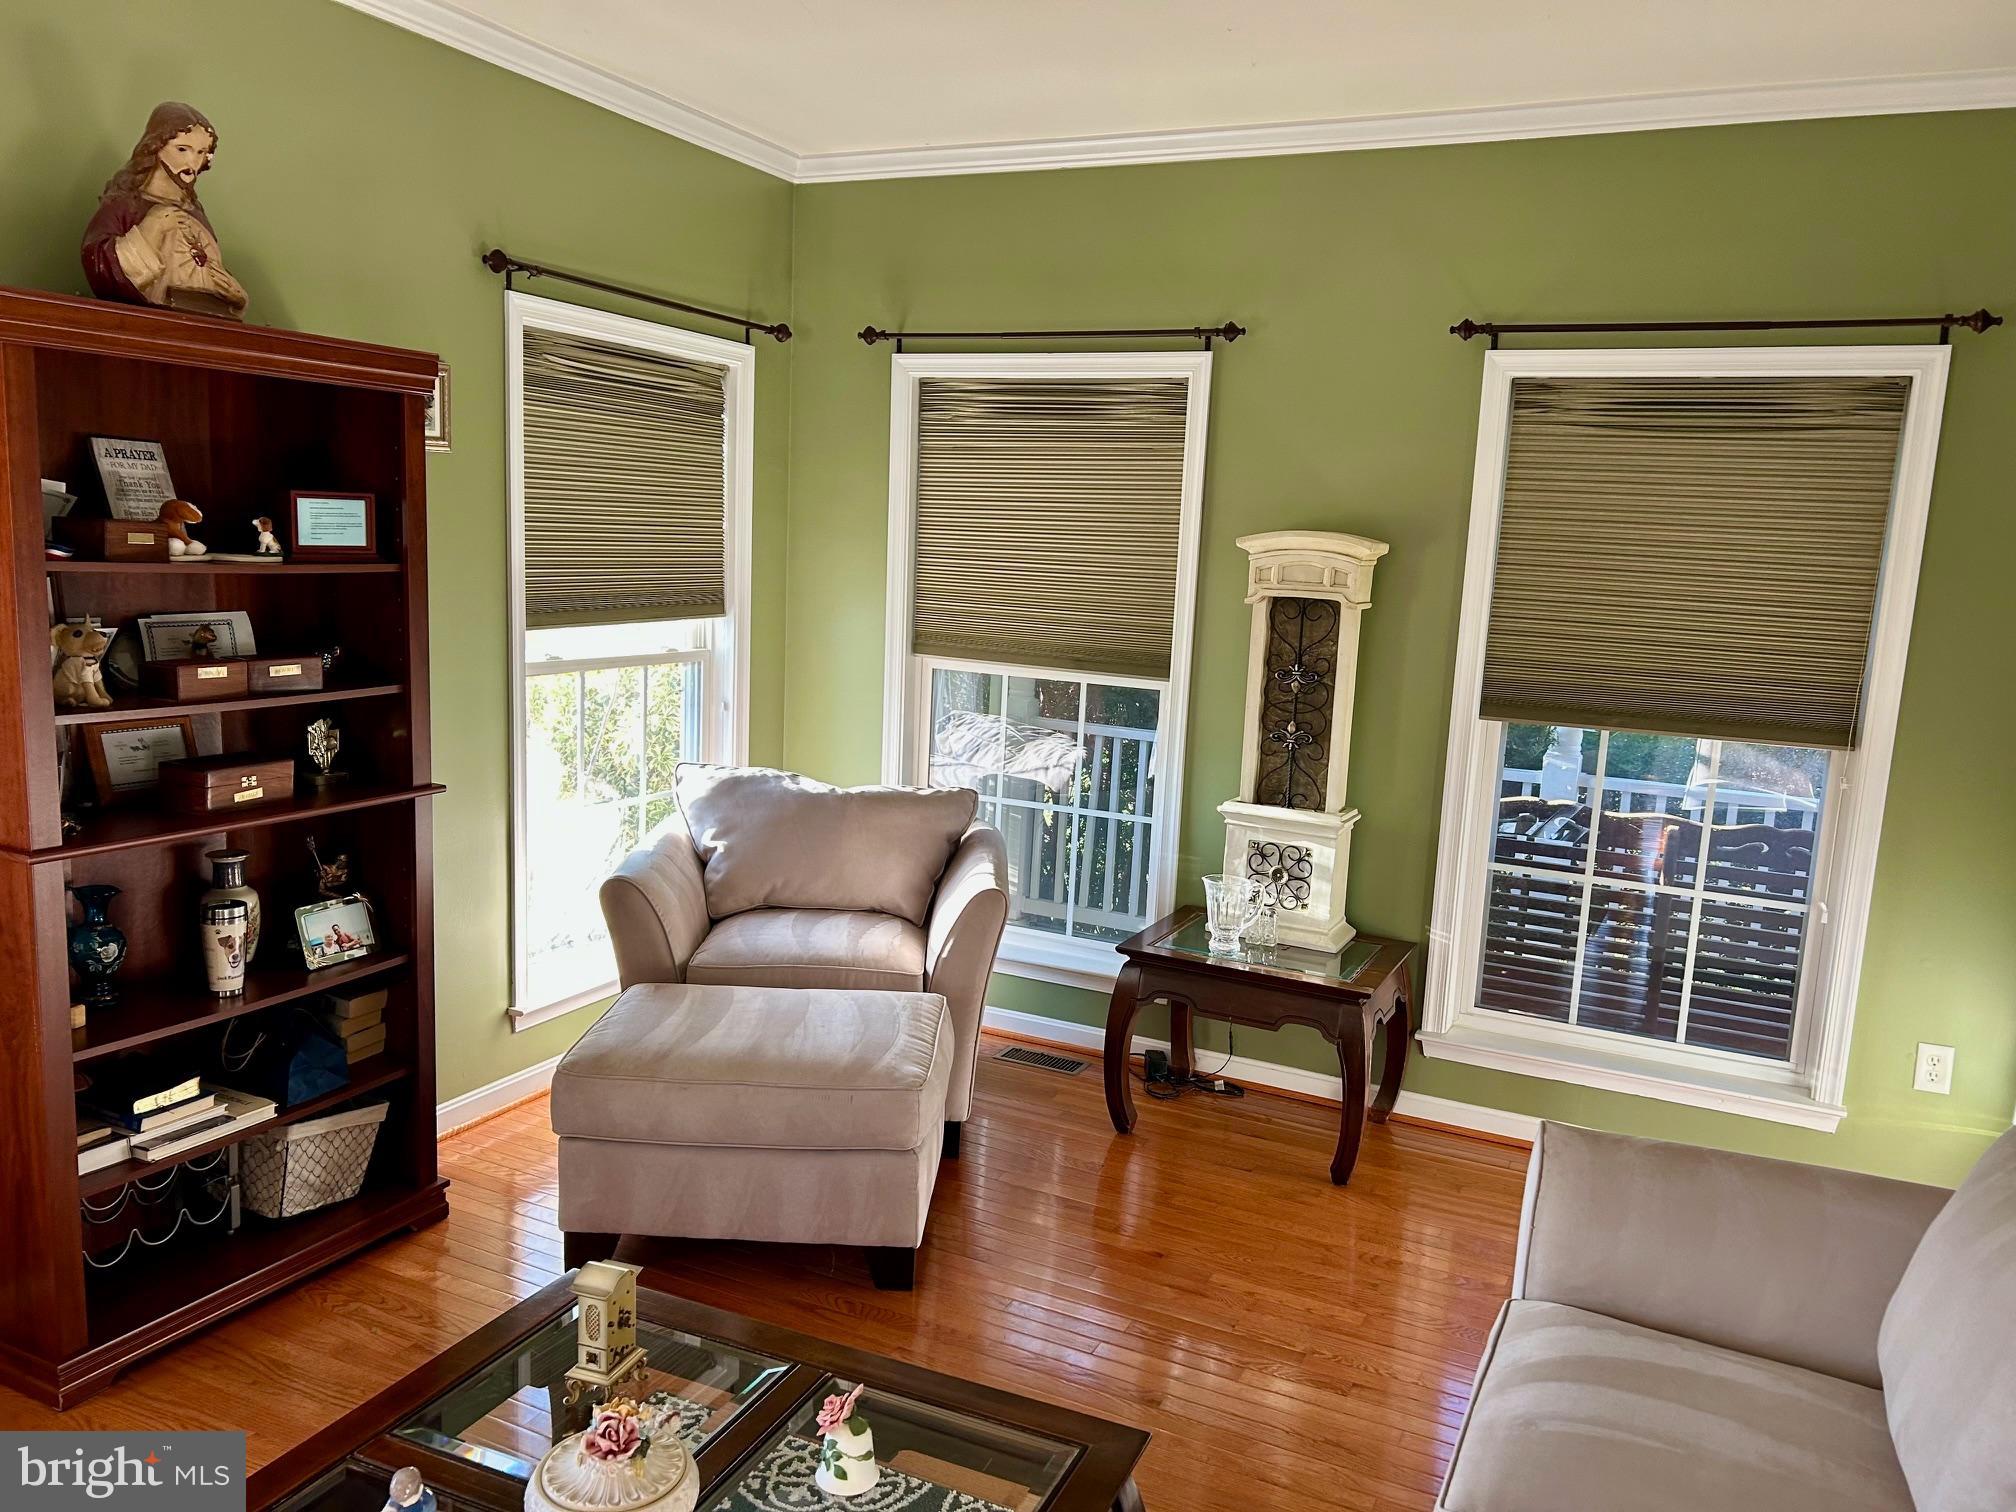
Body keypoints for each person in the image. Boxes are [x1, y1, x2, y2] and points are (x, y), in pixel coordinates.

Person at [81, 102, 248, 319]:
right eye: (182, 149)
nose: (193, 162)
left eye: (201, 152)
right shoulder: (126, 205)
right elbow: (99, 265)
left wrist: (229, 291)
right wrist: (152, 227)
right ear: (156, 147)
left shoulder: (195, 213)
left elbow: (204, 268)